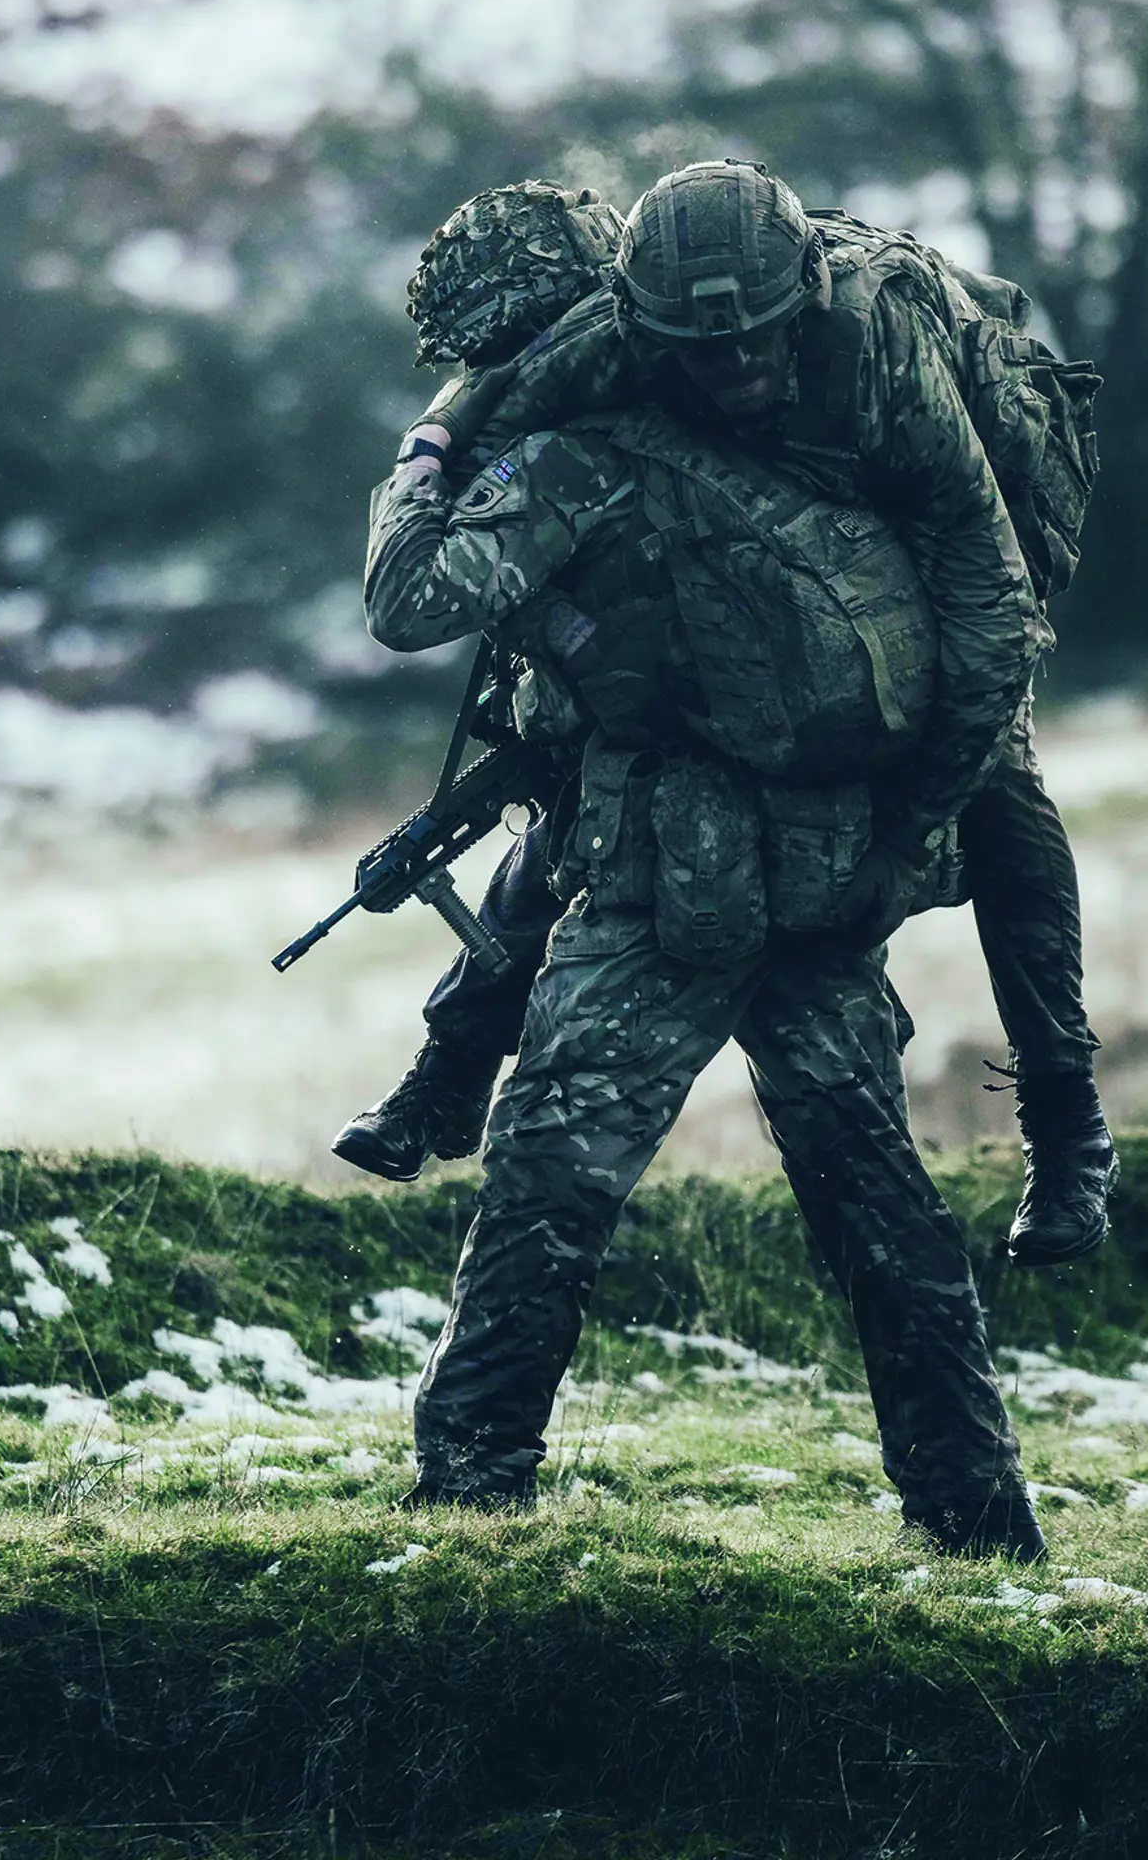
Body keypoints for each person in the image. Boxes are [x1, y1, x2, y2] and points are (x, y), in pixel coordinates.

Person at [360, 159, 1049, 1557]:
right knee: (876, 1204)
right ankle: (977, 1521)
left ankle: (473, 1491)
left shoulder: (567, 461)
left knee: (550, 1176)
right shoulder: (798, 430)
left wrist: (427, 453)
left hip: (664, 887)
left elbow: (406, 599)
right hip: (823, 872)